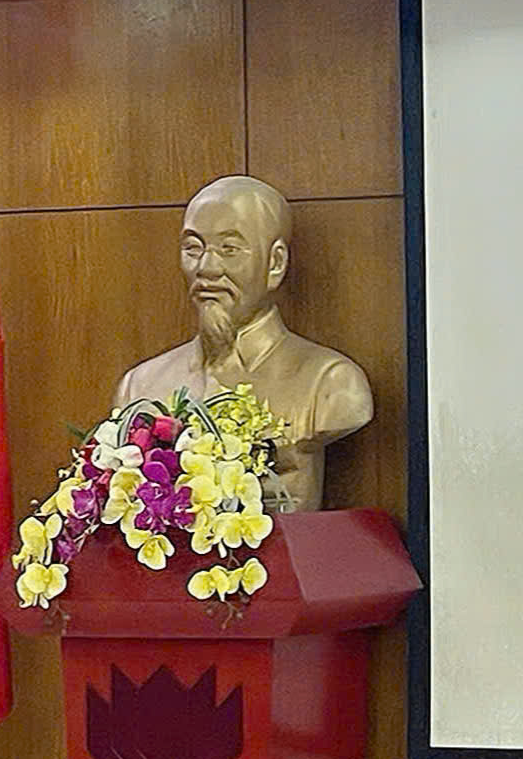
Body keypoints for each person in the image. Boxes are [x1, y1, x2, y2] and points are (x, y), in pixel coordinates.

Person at [113, 175, 374, 511]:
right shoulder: (140, 386)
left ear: (275, 263)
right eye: (193, 248)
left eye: (229, 249)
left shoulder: (331, 383)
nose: (206, 268)